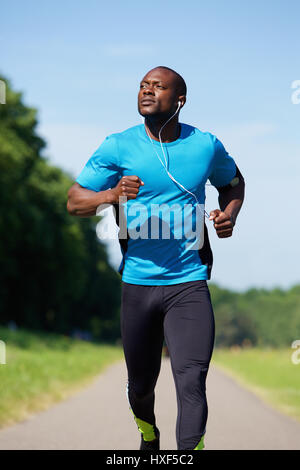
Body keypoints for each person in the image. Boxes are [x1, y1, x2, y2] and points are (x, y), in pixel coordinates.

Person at [67, 66, 245, 451]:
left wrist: (229, 213)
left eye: (158, 86)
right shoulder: (118, 146)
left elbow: (233, 183)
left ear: (179, 100)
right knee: (140, 386)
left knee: (191, 378)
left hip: (189, 283)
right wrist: (110, 195)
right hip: (138, 284)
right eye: (143, 85)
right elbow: (74, 200)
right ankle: (148, 434)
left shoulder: (205, 145)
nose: (147, 91)